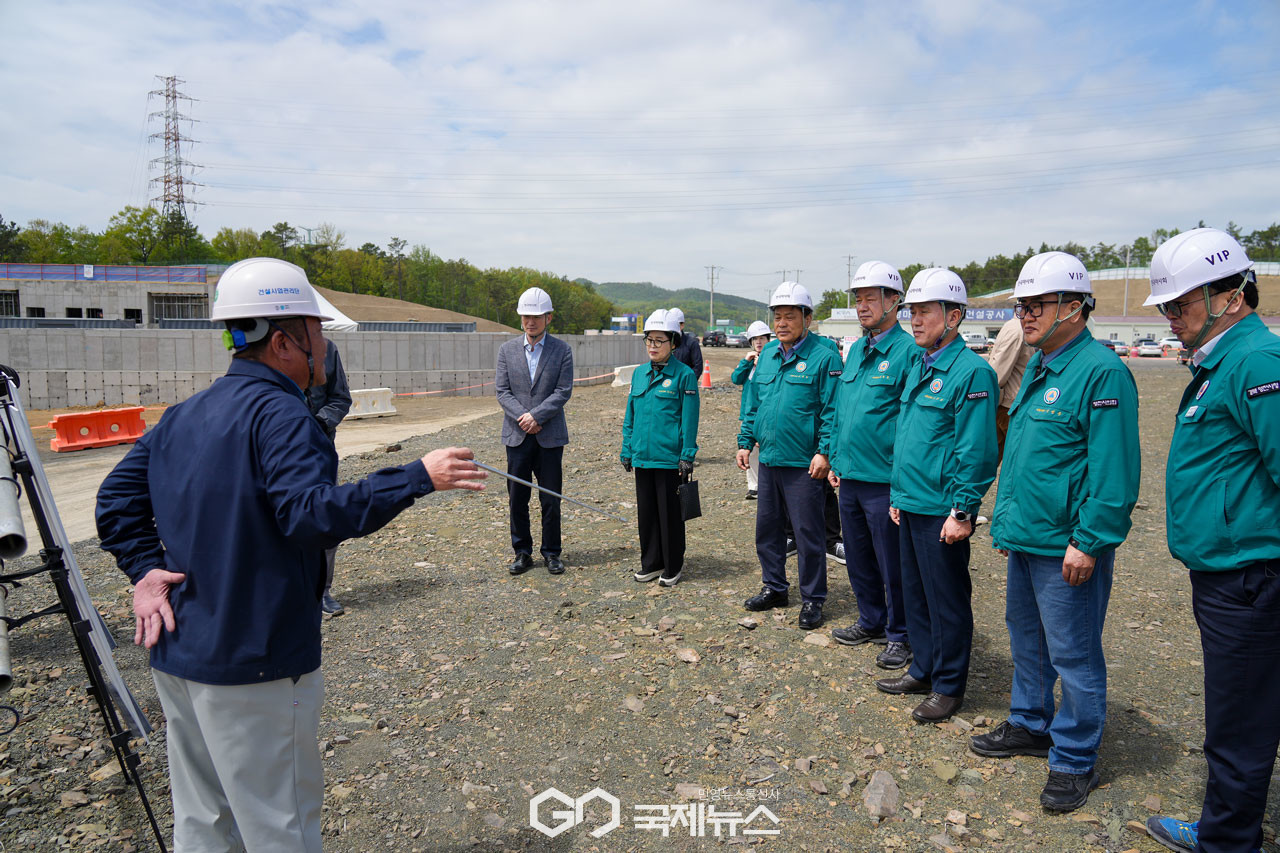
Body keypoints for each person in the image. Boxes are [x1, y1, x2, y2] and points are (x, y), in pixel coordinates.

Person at [95, 258, 486, 852]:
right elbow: (308, 515)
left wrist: (145, 571)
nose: (325, 346)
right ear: (284, 341)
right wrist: (415, 477)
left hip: (180, 657)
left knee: (202, 821)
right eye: (318, 331)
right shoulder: (284, 414)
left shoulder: (183, 415)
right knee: (281, 824)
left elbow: (115, 499)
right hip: (258, 662)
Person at [973, 252, 1140, 813]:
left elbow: (1112, 473)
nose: (1025, 315)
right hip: (1028, 538)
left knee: (1074, 655)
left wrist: (1090, 540)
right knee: (1027, 641)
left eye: (1037, 305)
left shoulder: (1101, 371)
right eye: (1021, 305)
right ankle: (1030, 723)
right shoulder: (1042, 366)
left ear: (1075, 306)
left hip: (1067, 546)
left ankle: (1073, 759)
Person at [1138, 229, 1279, 853]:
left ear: (1230, 294)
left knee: (1239, 721)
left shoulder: (1253, 364)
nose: (1171, 319)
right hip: (1231, 571)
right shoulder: (1223, 361)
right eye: (1165, 308)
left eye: (1182, 305)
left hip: (1250, 576)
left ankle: (1226, 841)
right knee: (1245, 712)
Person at [877, 268, 997, 723]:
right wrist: (897, 493)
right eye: (912, 311)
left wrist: (963, 509)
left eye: (926, 311)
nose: (916, 320)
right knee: (916, 593)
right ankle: (923, 667)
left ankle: (949, 685)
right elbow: (909, 437)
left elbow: (978, 451)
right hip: (911, 502)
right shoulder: (920, 365)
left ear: (955, 316)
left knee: (946, 599)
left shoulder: (972, 373)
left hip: (942, 511)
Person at [827, 261, 920, 671]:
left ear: (894, 301)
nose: (862, 307)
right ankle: (871, 619)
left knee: (892, 564)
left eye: (871, 298)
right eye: (859, 299)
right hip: (851, 476)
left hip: (884, 480)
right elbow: (842, 409)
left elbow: (913, 423)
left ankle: (901, 635)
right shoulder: (857, 350)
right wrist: (834, 457)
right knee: (859, 557)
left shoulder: (909, 352)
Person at [737, 282, 841, 630]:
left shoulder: (824, 356)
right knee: (767, 529)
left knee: (808, 533)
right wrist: (744, 440)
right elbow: (754, 404)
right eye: (777, 317)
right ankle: (774, 587)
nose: (781, 323)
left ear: (807, 319)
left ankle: (812, 599)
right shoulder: (766, 356)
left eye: (789, 317)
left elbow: (831, 411)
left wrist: (824, 452)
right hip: (768, 461)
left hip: (803, 464)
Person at [495, 287, 574, 576]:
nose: (531, 322)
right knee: (517, 496)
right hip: (517, 435)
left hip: (549, 435)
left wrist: (537, 415)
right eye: (526, 316)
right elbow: (502, 391)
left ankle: (552, 552)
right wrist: (523, 417)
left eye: (537, 317)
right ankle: (522, 551)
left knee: (550, 497)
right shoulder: (506, 351)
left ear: (548, 318)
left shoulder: (562, 350)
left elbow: (563, 390)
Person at [621, 309, 700, 586]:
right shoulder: (639, 374)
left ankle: (672, 565)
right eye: (649, 341)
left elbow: (690, 420)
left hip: (669, 459)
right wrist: (626, 448)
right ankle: (651, 562)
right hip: (643, 457)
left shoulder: (685, 375)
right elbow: (630, 414)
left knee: (670, 516)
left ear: (673, 343)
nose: (653, 346)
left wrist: (687, 455)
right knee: (647, 514)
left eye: (659, 341)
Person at [308, 338, 352, 615]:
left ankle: (322, 590)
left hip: (319, 448)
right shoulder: (265, 347)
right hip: (273, 448)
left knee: (325, 518)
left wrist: (318, 423)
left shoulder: (325, 348)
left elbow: (340, 397)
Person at [730, 320, 773, 499]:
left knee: (765, 447)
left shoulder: (772, 360)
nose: (759, 342)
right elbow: (736, 379)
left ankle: (768, 485)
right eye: (755, 339)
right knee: (750, 450)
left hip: (765, 413)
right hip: (748, 414)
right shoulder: (749, 363)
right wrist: (745, 362)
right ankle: (754, 486)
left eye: (762, 338)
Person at [988, 315, 1032, 463]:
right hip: (1009, 405)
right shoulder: (1018, 329)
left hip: (1006, 402)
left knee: (992, 459)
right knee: (1015, 460)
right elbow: (999, 372)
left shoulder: (1013, 326)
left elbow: (997, 368)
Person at [668, 307, 704, 378]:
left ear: (682, 325)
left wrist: (688, 382)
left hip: (684, 383)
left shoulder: (692, 343)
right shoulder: (663, 343)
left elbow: (698, 367)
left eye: (676, 325)